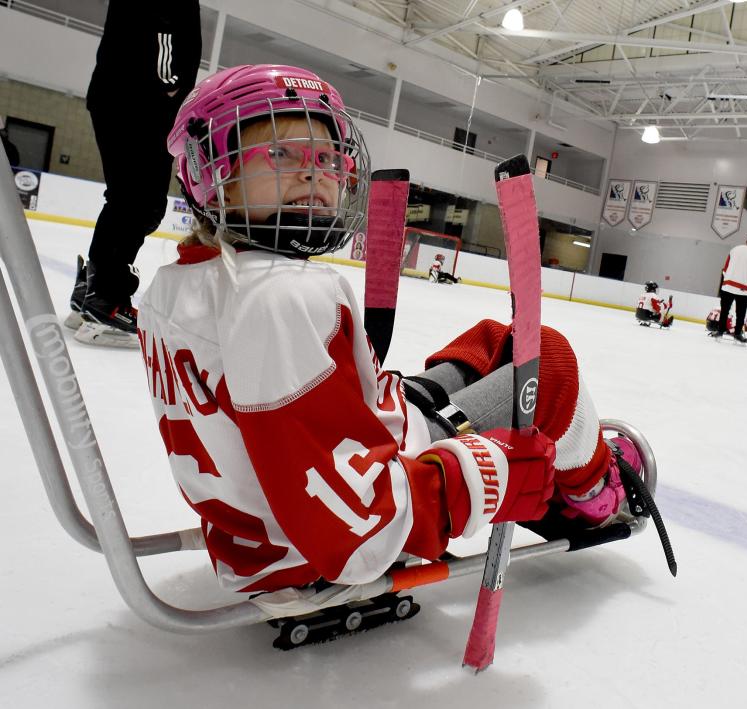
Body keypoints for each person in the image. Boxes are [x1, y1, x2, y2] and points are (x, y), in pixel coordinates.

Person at [137, 65, 647, 594]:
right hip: (344, 519)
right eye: (282, 154)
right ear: (209, 173)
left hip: (275, 513)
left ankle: (534, 448)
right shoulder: (277, 297)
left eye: (326, 158)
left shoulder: (175, 285)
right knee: (550, 360)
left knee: (492, 340)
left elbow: (285, 429)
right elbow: (351, 526)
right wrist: (484, 473)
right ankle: (593, 489)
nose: (314, 174)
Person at [65, 0, 201, 347]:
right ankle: (106, 298)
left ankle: (93, 289)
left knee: (127, 197)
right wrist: (170, 81)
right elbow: (163, 22)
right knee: (142, 202)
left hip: (118, 94)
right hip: (142, 99)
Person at [711, 232, 747, 343]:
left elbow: (725, 269)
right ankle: (737, 335)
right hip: (744, 289)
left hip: (728, 286)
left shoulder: (734, 250)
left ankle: (720, 332)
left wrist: (729, 280)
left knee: (724, 311)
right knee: (740, 314)